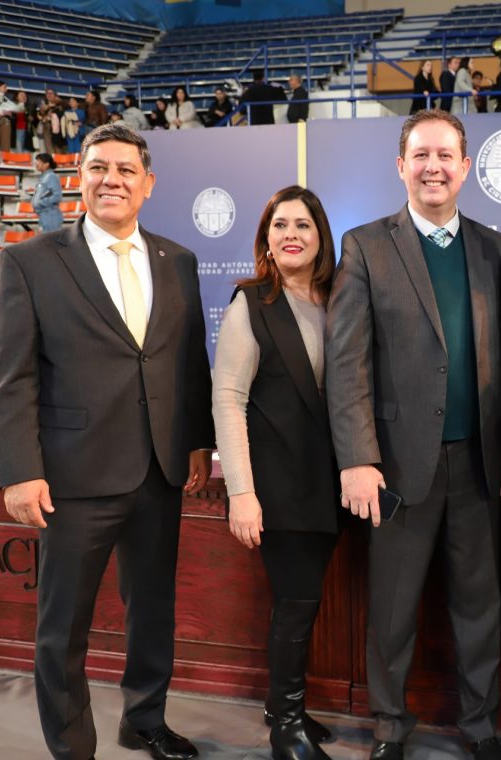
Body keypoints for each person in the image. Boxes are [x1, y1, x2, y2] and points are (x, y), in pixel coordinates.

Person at [0, 122, 215, 760]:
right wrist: (18, 470)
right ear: (78, 179)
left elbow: (189, 362)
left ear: (148, 183)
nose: (111, 180)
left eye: (125, 170)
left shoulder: (179, 260)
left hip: (160, 470)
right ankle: (72, 746)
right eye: (98, 168)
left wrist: (197, 442)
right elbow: (10, 377)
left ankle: (144, 719)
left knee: (153, 612)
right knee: (63, 626)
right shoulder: (29, 261)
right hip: (72, 476)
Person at [325, 109, 501, 760]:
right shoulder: (365, 245)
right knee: (393, 608)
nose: (434, 167)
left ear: (466, 167)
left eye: (445, 155)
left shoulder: (496, 249)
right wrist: (357, 458)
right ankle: (388, 728)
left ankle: (481, 727)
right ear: (401, 166)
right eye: (421, 156)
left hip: (480, 463)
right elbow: (347, 363)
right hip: (397, 467)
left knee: (480, 607)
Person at [212, 185, 339, 760]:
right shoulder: (251, 302)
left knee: (305, 603)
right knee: (295, 602)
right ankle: (285, 723)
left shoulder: (338, 298)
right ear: (266, 237)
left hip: (330, 484)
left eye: (302, 225)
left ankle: (286, 706)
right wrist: (241, 492)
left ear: (320, 236)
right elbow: (228, 399)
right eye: (280, 225)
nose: (291, 234)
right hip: (278, 486)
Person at [32, 152, 63, 232]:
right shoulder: (44, 177)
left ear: (47, 164)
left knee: (50, 239)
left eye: (39, 162)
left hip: (50, 215)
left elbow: (57, 196)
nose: (37, 164)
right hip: (44, 215)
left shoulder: (51, 176)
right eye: (36, 161)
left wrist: (40, 202)